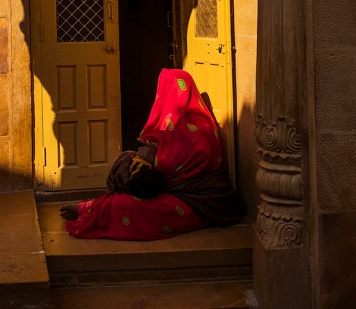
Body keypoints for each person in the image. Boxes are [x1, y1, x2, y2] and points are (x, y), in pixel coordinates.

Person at [61, 68, 243, 240]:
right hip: (170, 186)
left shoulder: (199, 124)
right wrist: (147, 155)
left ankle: (89, 210)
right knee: (124, 163)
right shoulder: (172, 119)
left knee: (127, 206)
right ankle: (89, 207)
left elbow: (196, 162)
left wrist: (156, 158)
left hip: (196, 199)